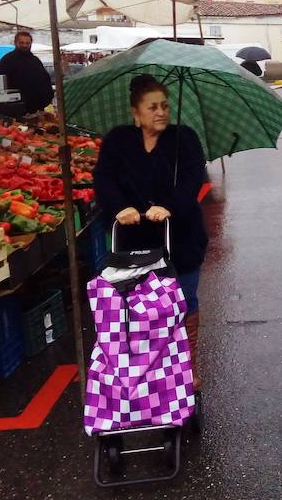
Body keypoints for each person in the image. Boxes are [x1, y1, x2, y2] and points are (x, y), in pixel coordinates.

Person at [93, 74, 209, 389]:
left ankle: (187, 367)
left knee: (182, 299)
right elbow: (104, 178)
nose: (161, 112)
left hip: (180, 236)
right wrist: (120, 207)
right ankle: (148, 368)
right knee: (139, 305)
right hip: (133, 241)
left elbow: (192, 177)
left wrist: (170, 205)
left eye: (165, 106)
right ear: (136, 112)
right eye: (152, 107)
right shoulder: (118, 140)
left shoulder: (183, 138)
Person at [0, 31, 54, 113]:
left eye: (27, 43)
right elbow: (0, 82)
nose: (24, 45)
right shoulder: (7, 60)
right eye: (21, 43)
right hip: (16, 107)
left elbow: (45, 79)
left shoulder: (35, 60)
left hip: (37, 107)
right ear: (15, 43)